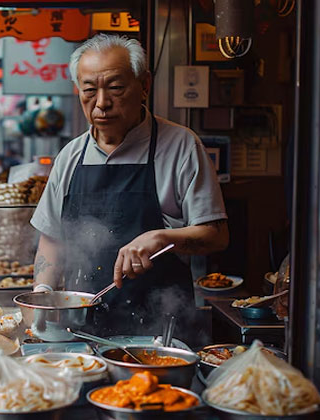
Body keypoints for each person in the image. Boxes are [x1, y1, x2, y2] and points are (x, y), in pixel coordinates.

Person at [30, 34, 229, 338]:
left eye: (115, 88)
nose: (101, 103)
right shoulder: (70, 156)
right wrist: (42, 291)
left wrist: (162, 238)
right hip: (82, 333)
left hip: (161, 331)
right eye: (89, 90)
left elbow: (216, 236)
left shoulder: (181, 146)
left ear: (144, 85)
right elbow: (52, 240)